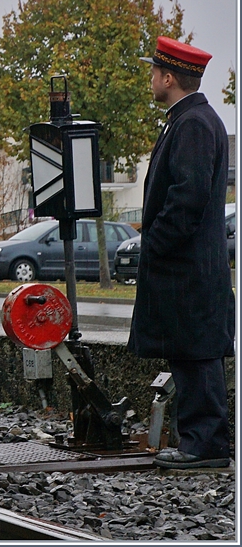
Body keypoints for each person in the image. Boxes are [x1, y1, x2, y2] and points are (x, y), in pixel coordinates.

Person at [127, 35, 234, 469]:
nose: (150, 79)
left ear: (169, 77)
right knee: (191, 351)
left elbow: (185, 199)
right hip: (191, 268)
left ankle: (205, 446)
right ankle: (198, 442)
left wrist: (154, 244)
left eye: (154, 72)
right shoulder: (191, 119)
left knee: (197, 353)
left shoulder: (191, 124)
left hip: (188, 269)